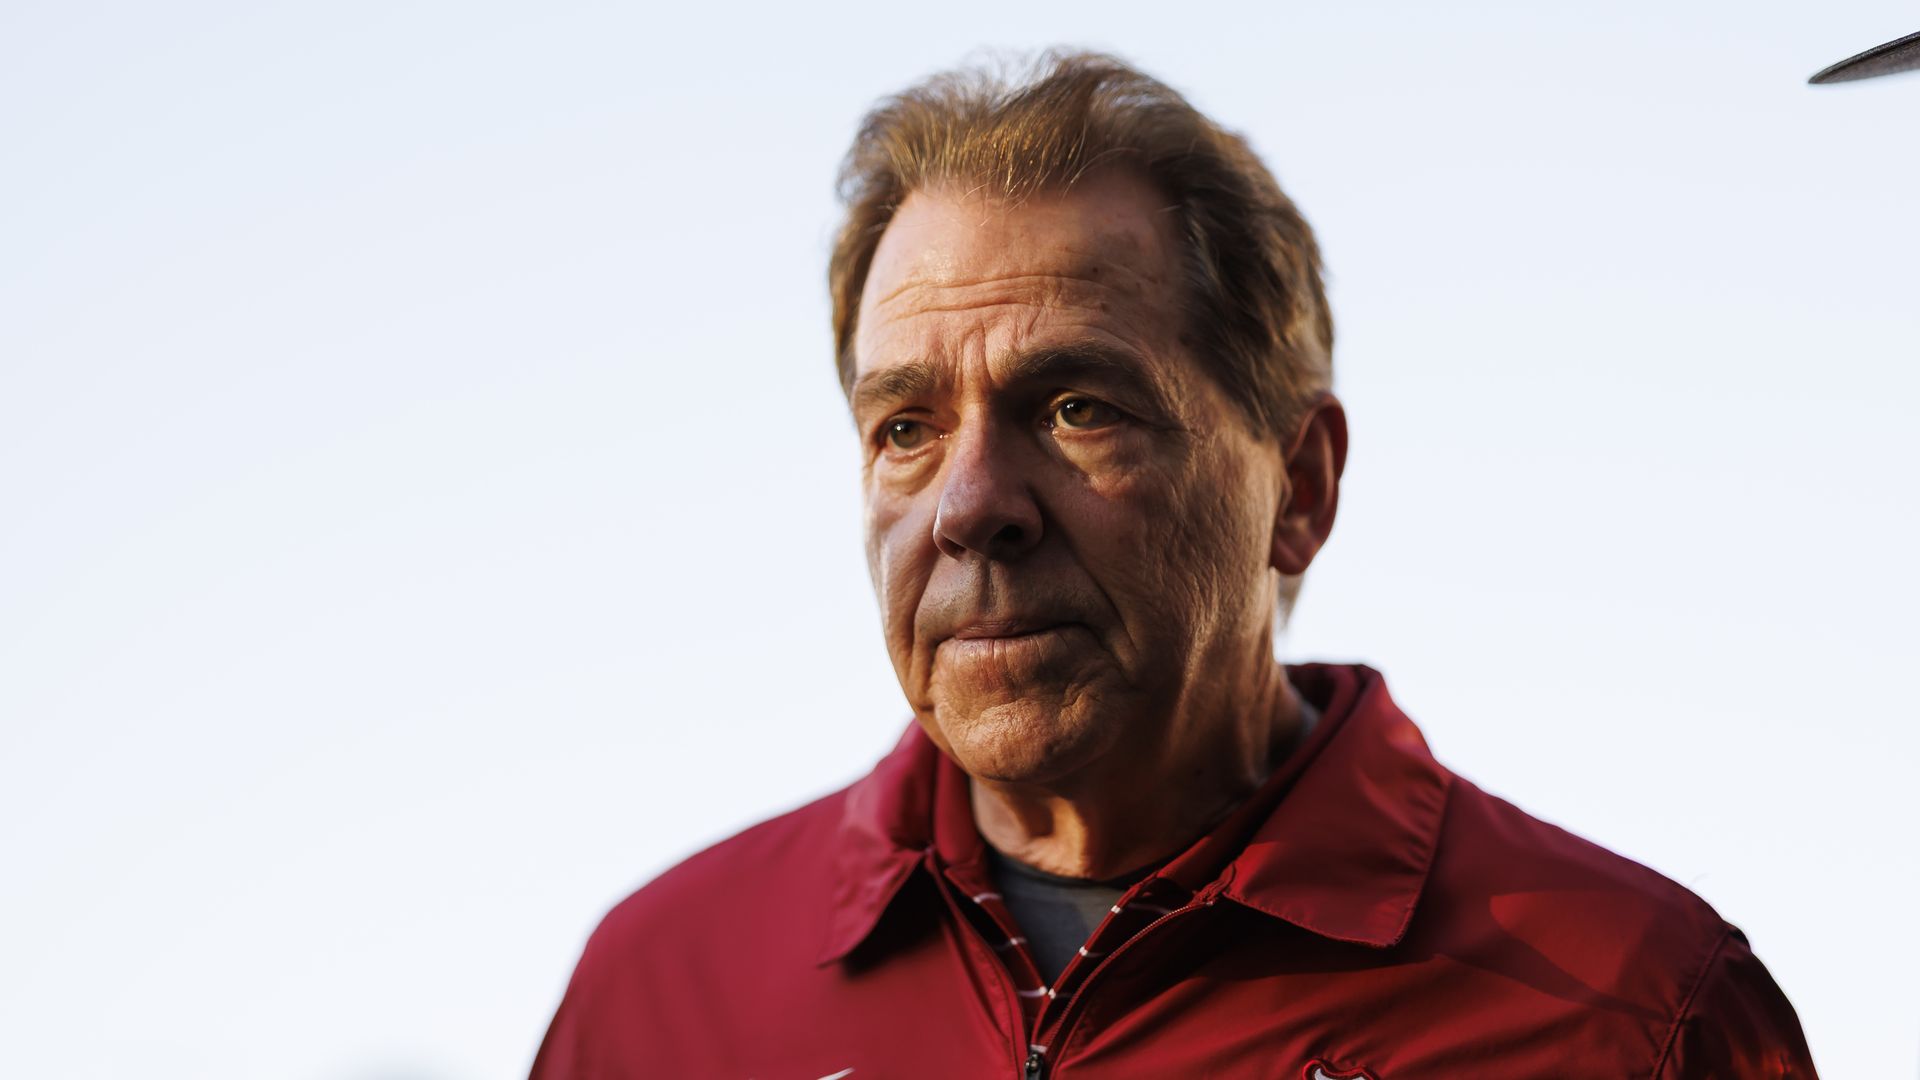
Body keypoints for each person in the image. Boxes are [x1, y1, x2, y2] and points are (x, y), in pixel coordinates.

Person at [531, 51, 1816, 1078]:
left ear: (1298, 487)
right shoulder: (660, 994)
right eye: (906, 430)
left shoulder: (1639, 1015)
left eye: (1078, 407)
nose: (973, 507)